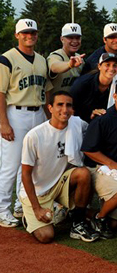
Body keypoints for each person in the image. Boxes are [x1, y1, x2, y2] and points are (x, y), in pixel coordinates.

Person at [20, 91, 98, 243]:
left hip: (60, 184)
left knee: (83, 174)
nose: (65, 109)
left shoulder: (77, 123)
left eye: (68, 105)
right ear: (50, 108)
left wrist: (98, 116)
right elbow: (25, 175)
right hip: (39, 192)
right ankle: (28, 216)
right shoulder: (34, 136)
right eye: (60, 105)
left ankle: (78, 222)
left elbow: (94, 129)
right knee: (46, 236)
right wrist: (36, 208)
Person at [0, 19, 51, 227]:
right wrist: (3, 122)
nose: (29, 36)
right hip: (16, 113)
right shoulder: (7, 59)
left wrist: (48, 117)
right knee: (11, 165)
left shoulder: (41, 59)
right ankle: (3, 209)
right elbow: (0, 93)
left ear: (37, 35)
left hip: (38, 112)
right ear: (17, 35)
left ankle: (22, 204)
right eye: (25, 33)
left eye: (32, 32)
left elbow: (47, 89)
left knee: (31, 163)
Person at [81, 79, 117, 239]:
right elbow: (87, 149)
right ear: (115, 96)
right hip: (99, 169)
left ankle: (89, 213)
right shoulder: (103, 118)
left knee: (114, 224)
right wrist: (111, 163)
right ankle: (97, 218)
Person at [70, 53, 117, 123]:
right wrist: (91, 113)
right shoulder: (82, 83)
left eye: (115, 65)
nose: (111, 69)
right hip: (80, 123)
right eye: (107, 65)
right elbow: (71, 107)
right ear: (99, 66)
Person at [47, 23, 86, 93]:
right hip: (56, 102)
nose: (75, 41)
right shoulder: (56, 55)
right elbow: (54, 66)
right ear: (62, 39)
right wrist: (69, 65)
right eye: (70, 37)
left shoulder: (80, 59)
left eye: (77, 38)